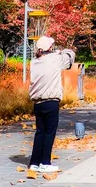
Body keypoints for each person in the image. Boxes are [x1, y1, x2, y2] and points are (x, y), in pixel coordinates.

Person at [28, 36, 75, 174]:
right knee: (50, 133)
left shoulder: (34, 62)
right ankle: (45, 162)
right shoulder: (55, 59)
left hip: (38, 103)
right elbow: (70, 57)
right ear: (50, 47)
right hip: (51, 101)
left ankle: (34, 163)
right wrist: (63, 51)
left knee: (40, 132)